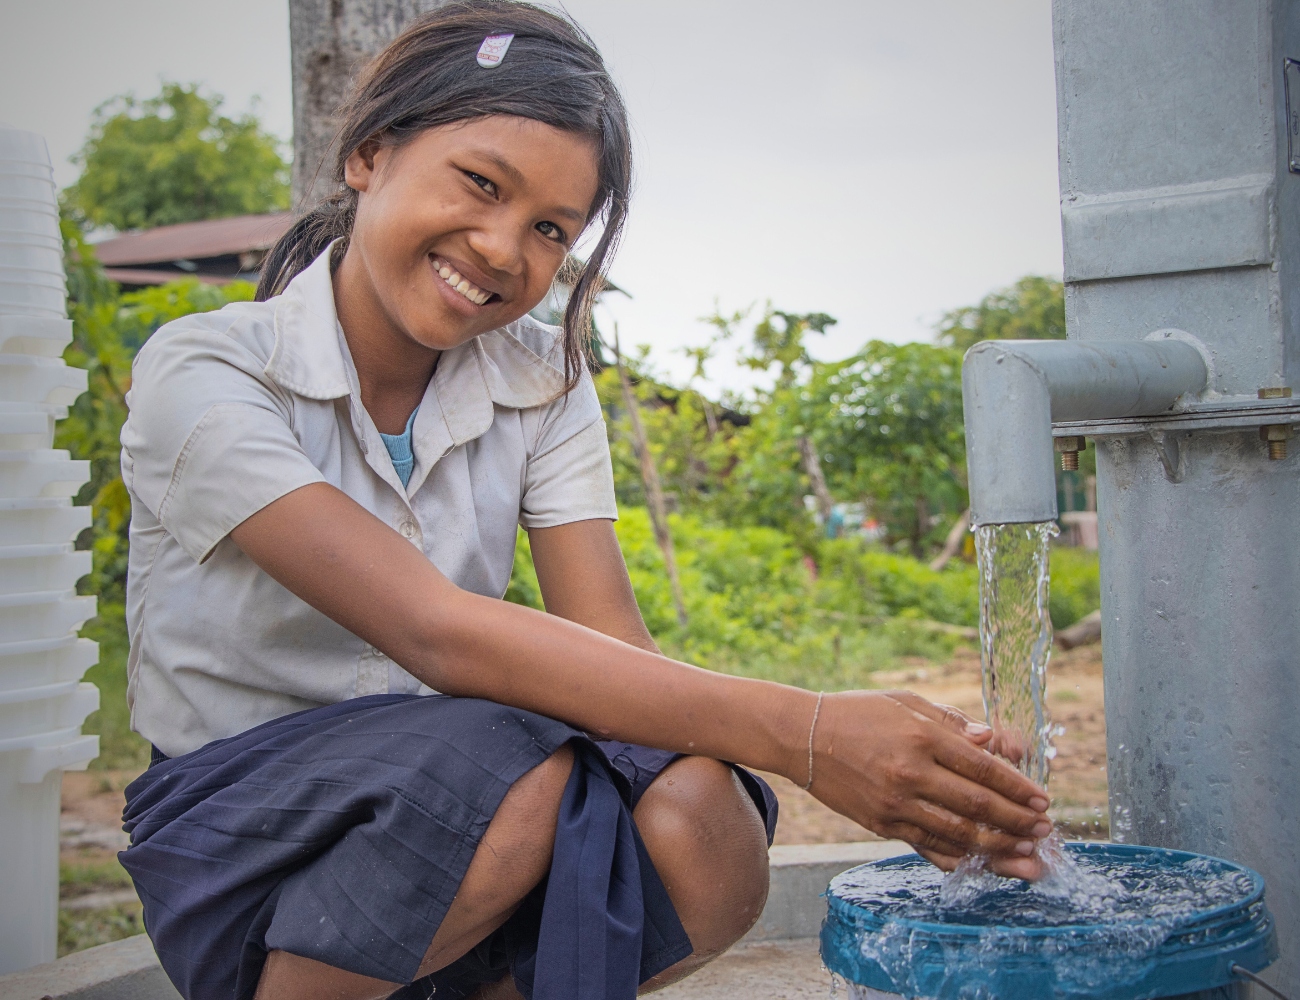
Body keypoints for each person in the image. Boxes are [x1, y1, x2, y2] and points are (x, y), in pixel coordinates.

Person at [115, 4, 1052, 999]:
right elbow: (435, 632)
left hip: (449, 801)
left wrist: (912, 755)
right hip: (237, 826)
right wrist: (814, 734)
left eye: (550, 228)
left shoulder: (540, 385)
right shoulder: (207, 371)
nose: (501, 247)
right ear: (369, 153)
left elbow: (612, 643)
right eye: (481, 183)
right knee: (520, 776)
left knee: (703, 808)